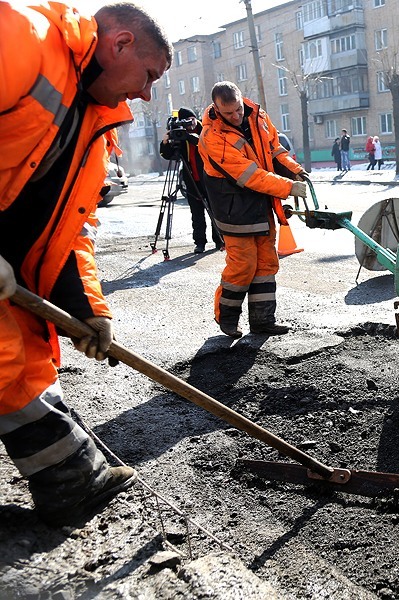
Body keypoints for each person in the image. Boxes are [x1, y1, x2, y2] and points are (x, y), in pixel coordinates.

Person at [0, 1, 171, 526]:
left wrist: (89, 309)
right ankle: (73, 477)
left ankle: (71, 477)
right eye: (149, 75)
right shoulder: (24, 39)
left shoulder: (96, 128)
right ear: (119, 43)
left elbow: (69, 231)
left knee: (23, 357)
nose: (145, 95)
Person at [198, 81, 307, 338]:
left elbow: (275, 149)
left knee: (267, 263)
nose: (236, 116)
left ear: (241, 100)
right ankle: (227, 319)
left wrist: (294, 170)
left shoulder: (258, 116)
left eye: (237, 109)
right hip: (234, 209)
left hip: (261, 204)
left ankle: (262, 320)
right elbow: (250, 176)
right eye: (228, 113)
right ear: (216, 108)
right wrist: (287, 187)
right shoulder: (212, 137)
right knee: (242, 266)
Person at [159, 107, 223, 254]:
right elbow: (168, 155)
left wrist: (189, 136)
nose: (190, 124)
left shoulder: (205, 129)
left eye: (191, 120)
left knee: (215, 211)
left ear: (196, 118)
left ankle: (219, 240)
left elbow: (205, 145)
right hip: (191, 180)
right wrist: (165, 142)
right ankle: (199, 243)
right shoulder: (180, 135)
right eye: (186, 122)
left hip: (209, 179)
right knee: (196, 214)